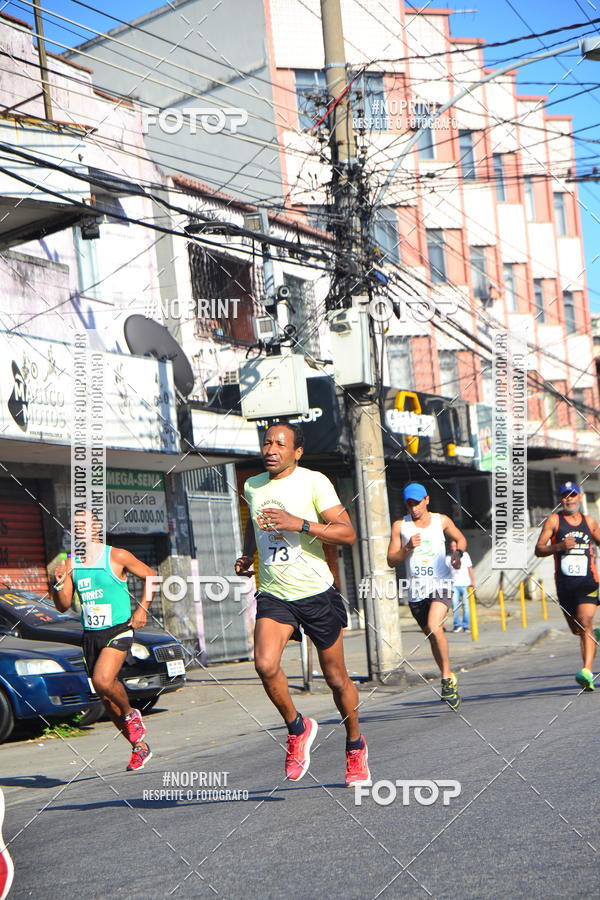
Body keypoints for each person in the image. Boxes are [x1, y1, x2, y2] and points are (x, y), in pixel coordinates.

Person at [235, 423, 370, 787]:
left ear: (297, 452)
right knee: (264, 664)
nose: (271, 449)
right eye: (267, 442)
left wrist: (301, 524)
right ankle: (297, 727)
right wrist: (248, 554)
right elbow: (256, 522)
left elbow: (347, 533)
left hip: (317, 592)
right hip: (275, 593)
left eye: (280, 444)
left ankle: (355, 744)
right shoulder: (253, 485)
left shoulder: (314, 481)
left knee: (336, 679)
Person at [53, 510, 158, 771]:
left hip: (118, 629)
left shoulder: (116, 555)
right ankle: (138, 747)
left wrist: (142, 608)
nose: (79, 529)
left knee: (102, 679)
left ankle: (131, 714)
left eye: (84, 524)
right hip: (91, 634)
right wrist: (58, 583)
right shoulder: (70, 563)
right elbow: (63, 606)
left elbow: (151, 576)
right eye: (75, 526)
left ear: (96, 528)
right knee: (106, 698)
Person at [387, 483, 467, 709]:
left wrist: (457, 554)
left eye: (417, 502)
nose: (414, 508)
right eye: (409, 503)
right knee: (433, 634)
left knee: (434, 626)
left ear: (427, 500)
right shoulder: (400, 526)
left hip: (441, 584)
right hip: (416, 591)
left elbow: (461, 540)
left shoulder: (441, 521)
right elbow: (391, 560)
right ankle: (449, 675)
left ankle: (446, 677)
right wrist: (406, 548)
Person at [535, 481, 600, 691]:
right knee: (577, 629)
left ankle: (587, 671)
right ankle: (593, 636)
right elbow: (539, 549)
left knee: (585, 620)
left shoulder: (589, 522)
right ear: (560, 499)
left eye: (573, 495)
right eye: (565, 495)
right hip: (564, 585)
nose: (569, 499)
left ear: (580, 497)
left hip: (588, 582)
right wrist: (560, 546)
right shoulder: (554, 521)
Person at [446, 539, 475, 633]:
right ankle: (457, 625)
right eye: (452, 546)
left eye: (455, 546)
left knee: (466, 606)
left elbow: (470, 568)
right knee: (455, 605)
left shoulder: (465, 556)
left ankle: (466, 625)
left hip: (465, 584)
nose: (453, 548)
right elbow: (446, 572)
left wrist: (473, 581)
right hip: (454, 584)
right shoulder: (448, 558)